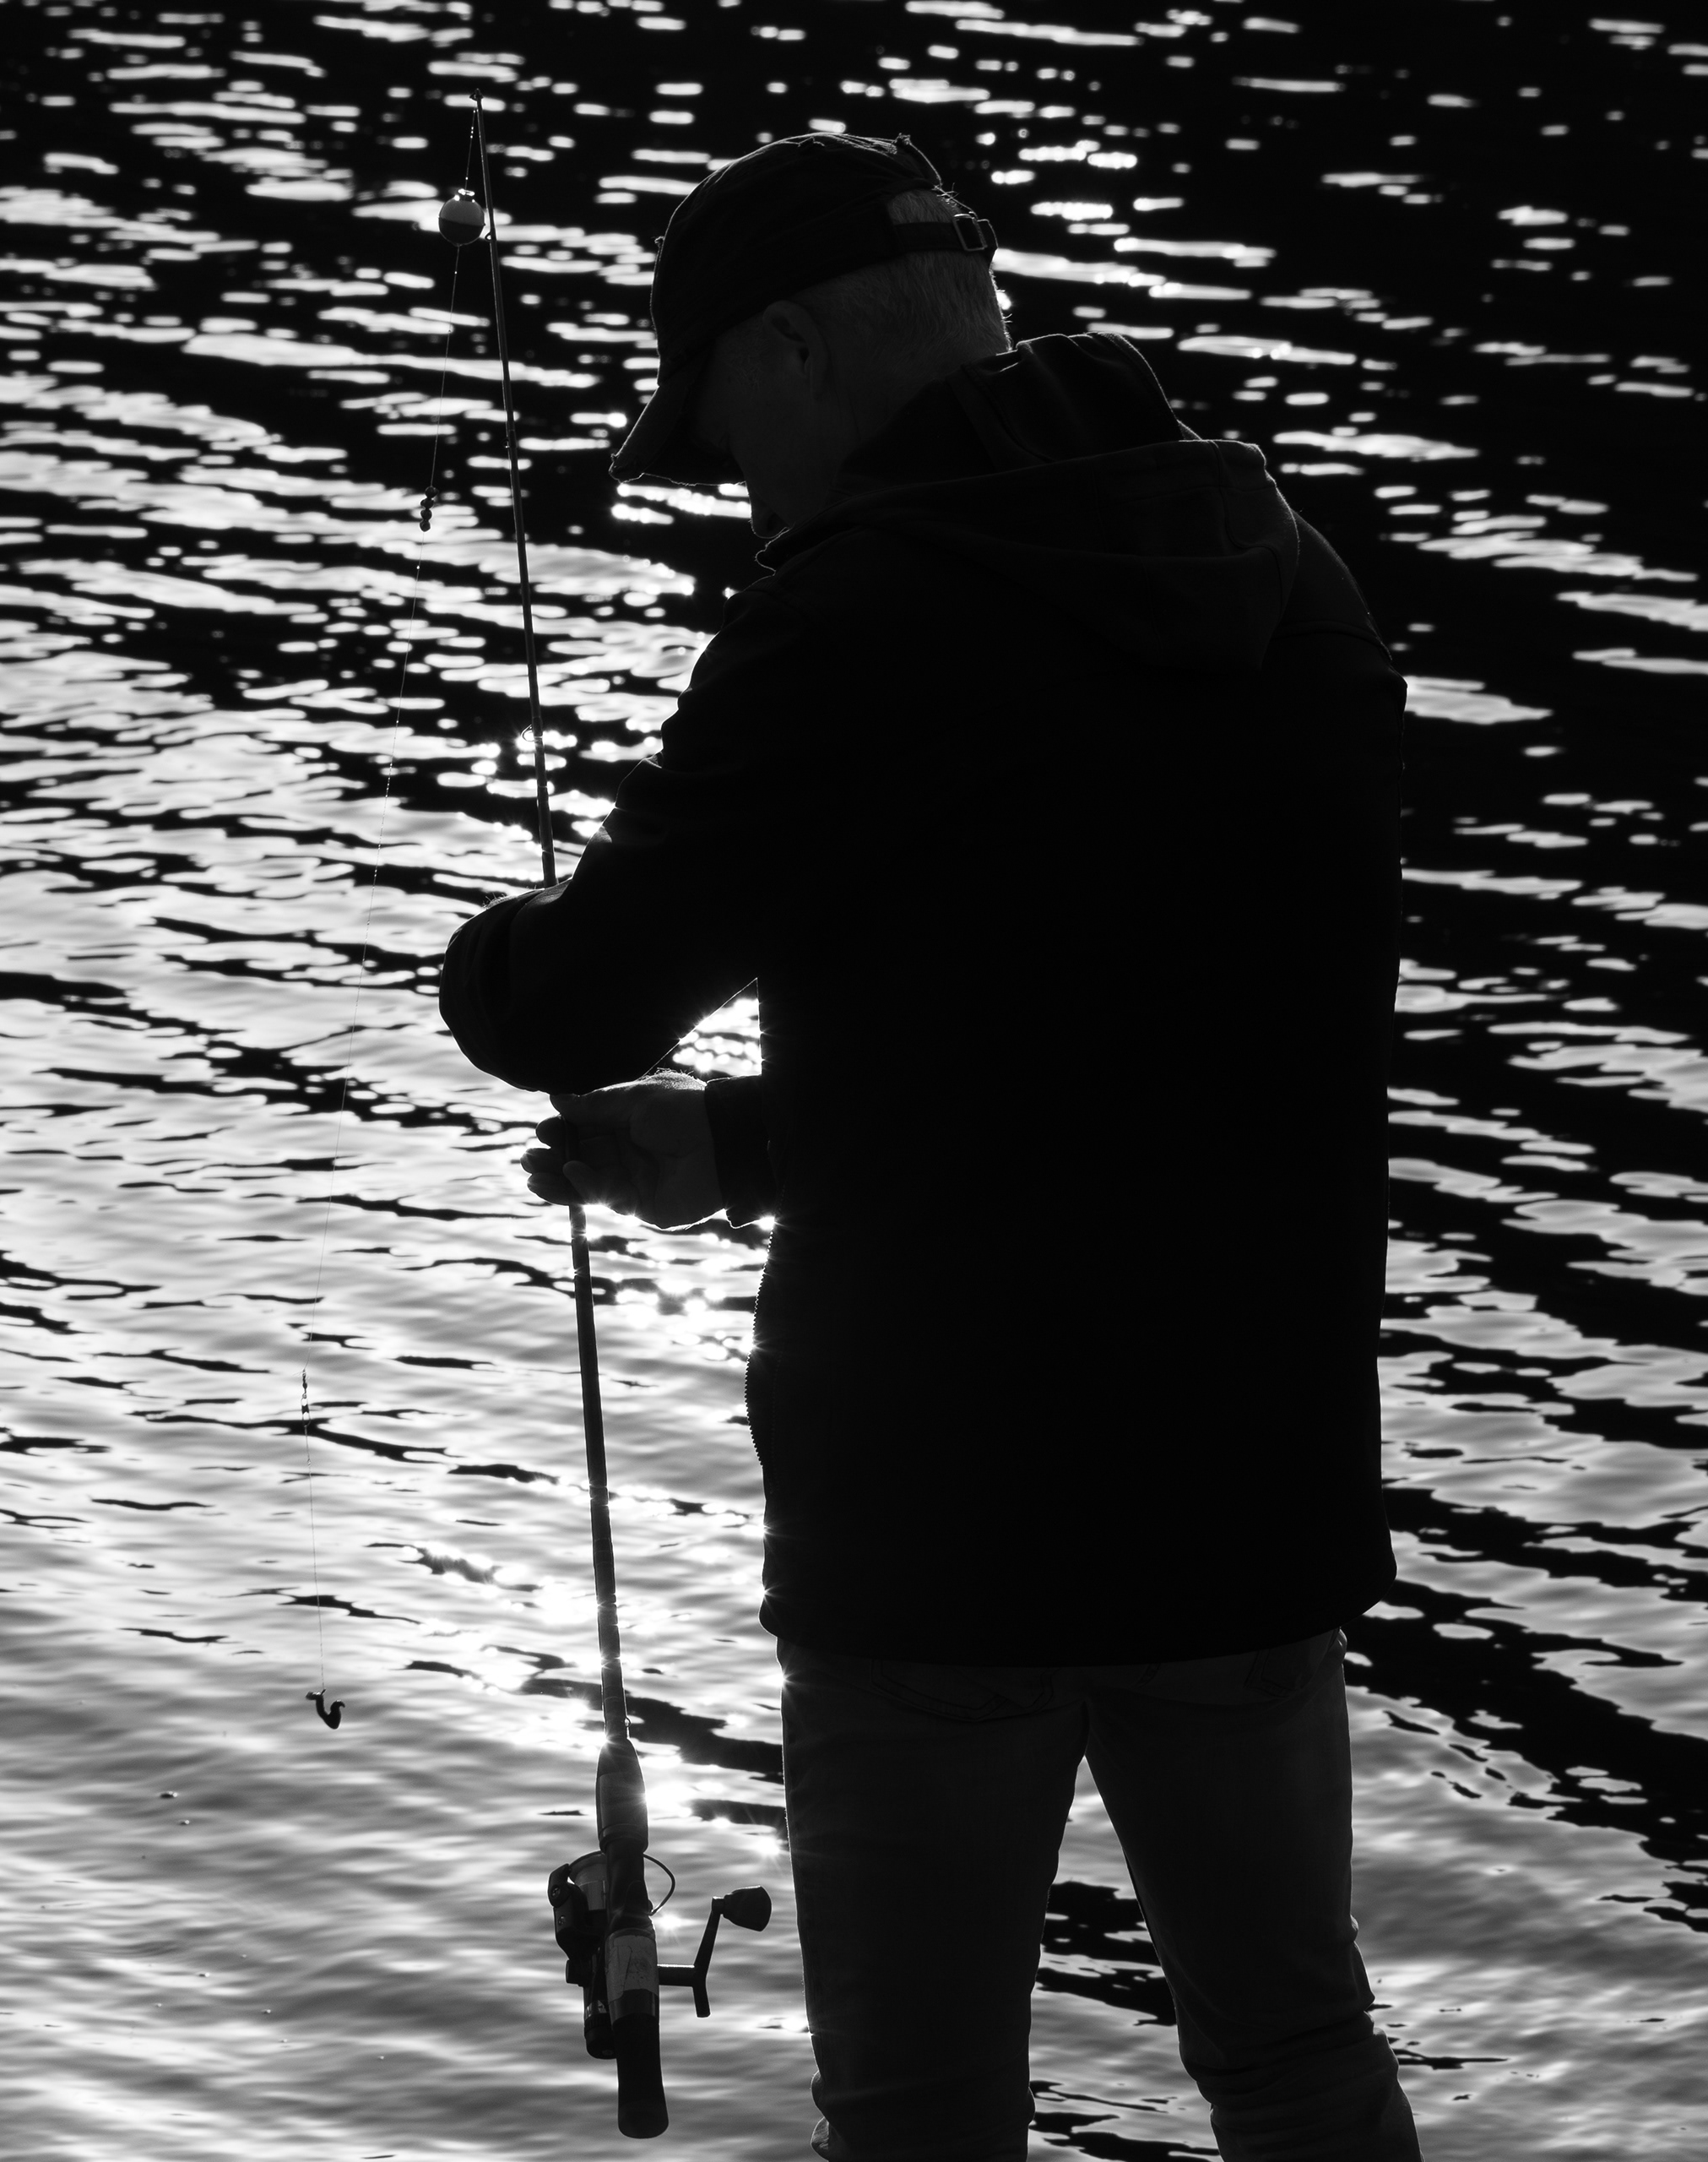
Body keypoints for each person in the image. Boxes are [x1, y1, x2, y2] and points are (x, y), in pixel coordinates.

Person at [437, 130, 1418, 2162]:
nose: (736, 493)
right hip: (1249, 1483)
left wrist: (490, 962)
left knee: (918, 2106)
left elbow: (570, 1006)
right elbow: (1162, 1047)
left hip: (941, 1526)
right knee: (1298, 2051)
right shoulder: (1283, 582)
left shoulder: (854, 621)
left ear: (794, 352)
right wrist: (743, 1138)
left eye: (714, 431)